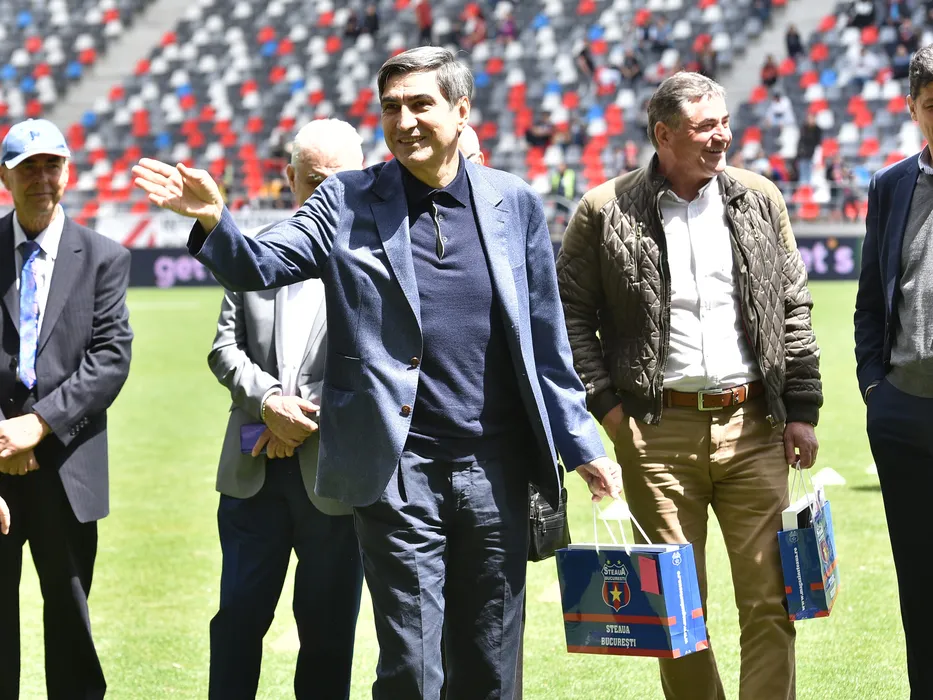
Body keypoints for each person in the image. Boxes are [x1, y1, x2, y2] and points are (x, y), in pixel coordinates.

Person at [133, 46, 621, 700]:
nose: (405, 120)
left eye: (421, 104)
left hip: (497, 472)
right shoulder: (346, 199)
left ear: (461, 110)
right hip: (399, 470)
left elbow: (544, 341)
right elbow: (260, 265)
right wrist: (213, 221)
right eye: (392, 107)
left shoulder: (516, 204)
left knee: (489, 665)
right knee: (411, 669)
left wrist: (582, 444)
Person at [557, 72, 822, 700]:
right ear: (664, 134)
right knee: (674, 615)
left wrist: (801, 407)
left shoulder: (760, 197)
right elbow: (569, 315)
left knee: (772, 600)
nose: (722, 136)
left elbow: (793, 305)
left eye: (724, 122)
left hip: (755, 426)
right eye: (705, 127)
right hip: (656, 435)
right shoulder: (604, 208)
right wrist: (609, 410)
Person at [206, 119, 365, 700]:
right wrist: (270, 401)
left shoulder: (375, 259)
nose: (326, 194)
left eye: (339, 181)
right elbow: (224, 349)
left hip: (335, 480)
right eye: (314, 180)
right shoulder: (254, 252)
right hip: (253, 476)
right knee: (236, 622)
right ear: (290, 178)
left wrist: (301, 419)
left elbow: (378, 363)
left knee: (328, 635)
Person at [0, 118, 133, 699]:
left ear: (68, 172)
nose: (41, 179)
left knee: (70, 619)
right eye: (27, 167)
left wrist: (39, 425)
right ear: (4, 177)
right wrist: (3, 438)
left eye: (51, 165)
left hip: (67, 467)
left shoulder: (104, 257)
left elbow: (109, 360)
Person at [855, 43, 933, 698]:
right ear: (912, 108)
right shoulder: (890, 185)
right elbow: (868, 300)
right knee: (918, 578)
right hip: (903, 411)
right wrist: (874, 392)